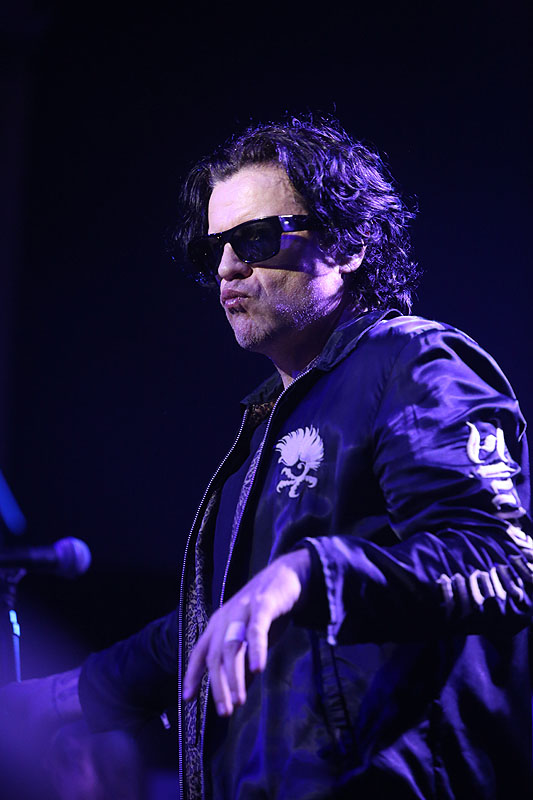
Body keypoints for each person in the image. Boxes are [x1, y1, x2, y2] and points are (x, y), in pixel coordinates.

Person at [2, 115, 532, 799]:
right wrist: (53, 701)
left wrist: (306, 573)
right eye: (214, 249)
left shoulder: (415, 362)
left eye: (255, 239)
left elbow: (501, 563)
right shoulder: (266, 424)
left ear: (347, 245)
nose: (227, 267)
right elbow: (209, 628)